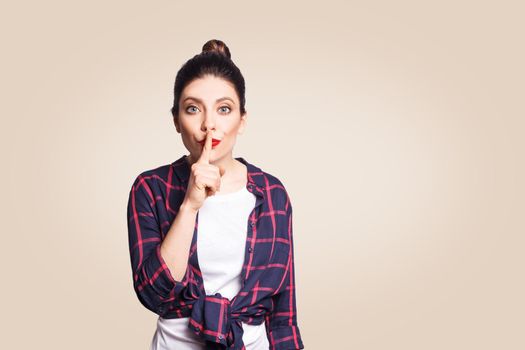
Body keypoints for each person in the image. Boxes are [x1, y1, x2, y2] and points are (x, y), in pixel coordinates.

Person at [126, 39, 304, 350]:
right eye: (193, 109)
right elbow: (154, 294)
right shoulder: (151, 188)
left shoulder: (272, 194)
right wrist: (190, 206)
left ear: (242, 120)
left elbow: (283, 313)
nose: (210, 125)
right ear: (176, 121)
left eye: (224, 109)